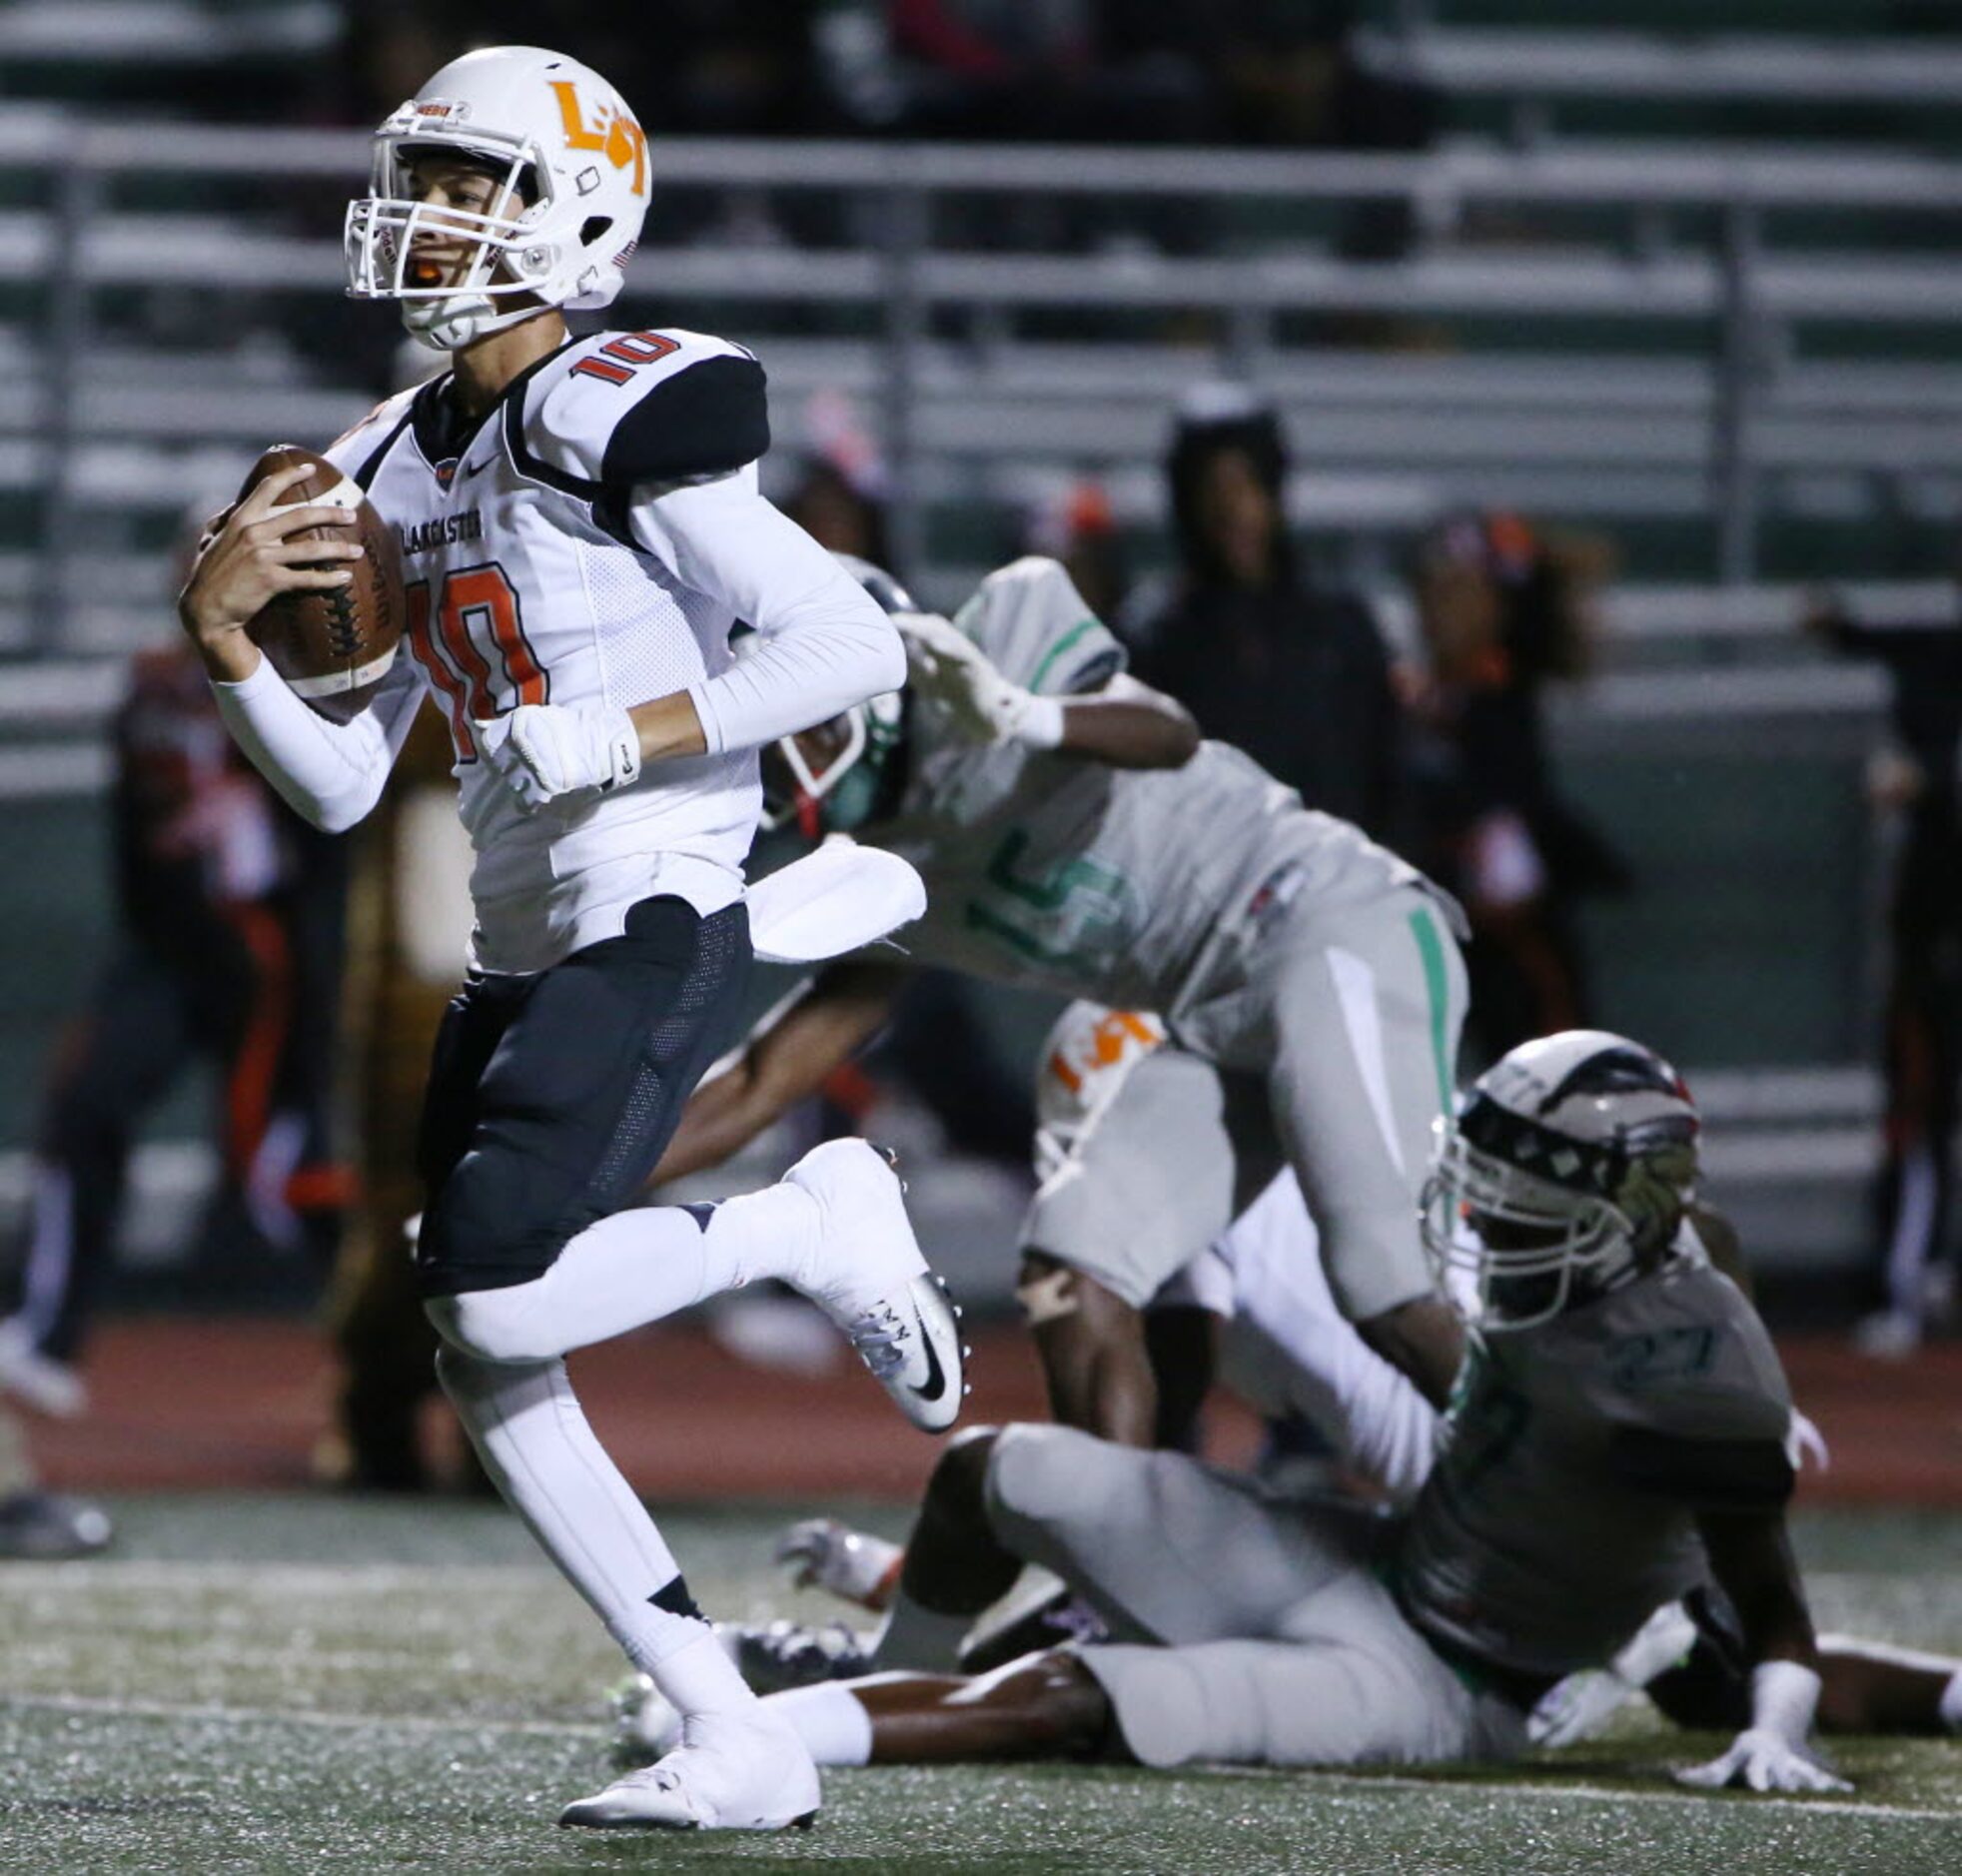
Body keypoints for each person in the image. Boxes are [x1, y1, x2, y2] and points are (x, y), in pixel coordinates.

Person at [176, 45, 964, 1833]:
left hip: (656, 882)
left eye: (470, 183)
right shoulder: (382, 446)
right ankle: (731, 1726)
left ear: (575, 214)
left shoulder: (620, 399)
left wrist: (617, 735)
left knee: (488, 1280)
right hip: (523, 930)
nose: (428, 212)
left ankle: (801, 1216)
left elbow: (845, 644)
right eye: (422, 177)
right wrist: (224, 647)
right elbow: (336, 787)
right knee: (482, 1342)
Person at [659, 1032, 1962, 1790]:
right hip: (1383, 1552)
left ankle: (764, 1742)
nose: (1485, 1215)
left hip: (1468, 1658)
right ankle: (894, 1666)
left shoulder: (1690, 1361)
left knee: (1701, 1661)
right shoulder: (1514, 1232)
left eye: (1522, 1194)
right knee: (1006, 1469)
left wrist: (1702, 1528)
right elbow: (1136, 1476)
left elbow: (1759, 1581)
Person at [654, 550, 1471, 1428]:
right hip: (1207, 1018)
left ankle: (1574, 1502)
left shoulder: (1000, 642)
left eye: (795, 724)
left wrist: (1025, 715)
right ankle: (1115, 1543)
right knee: (1072, 1266)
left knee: (1383, 1281)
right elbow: (761, 1080)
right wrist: (580, 1174)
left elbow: (1167, 734)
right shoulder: (887, 870)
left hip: (1326, 921)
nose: (779, 769)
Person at [0, 631, 348, 1420]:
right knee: (84, 1108)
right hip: (170, 950)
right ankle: (48, 1332)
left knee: (282, 1175)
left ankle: (396, 1332)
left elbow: (335, 841)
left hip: (267, 960)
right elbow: (135, 840)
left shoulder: (318, 688)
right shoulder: (153, 695)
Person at [1131, 384, 1406, 844]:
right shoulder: (1155, 640)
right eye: (1212, 488)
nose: (1232, 509)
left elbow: (1388, 784)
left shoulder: (1341, 629)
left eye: (1246, 484)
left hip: (1336, 894)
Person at [1403, 511, 1628, 1063]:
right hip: (1459, 930)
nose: (1434, 611)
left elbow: (1495, 803)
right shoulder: (1439, 698)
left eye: (1454, 592)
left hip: (1510, 935)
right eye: (1429, 594)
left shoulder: (1493, 699)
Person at [1806, 589, 1962, 1357]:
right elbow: (1889, 637)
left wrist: (1930, 780)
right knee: (1918, 1114)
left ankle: (1918, 1272)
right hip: (1933, 944)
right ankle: (1910, 1275)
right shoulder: (1937, 650)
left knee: (1922, 1114)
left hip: (1934, 941)